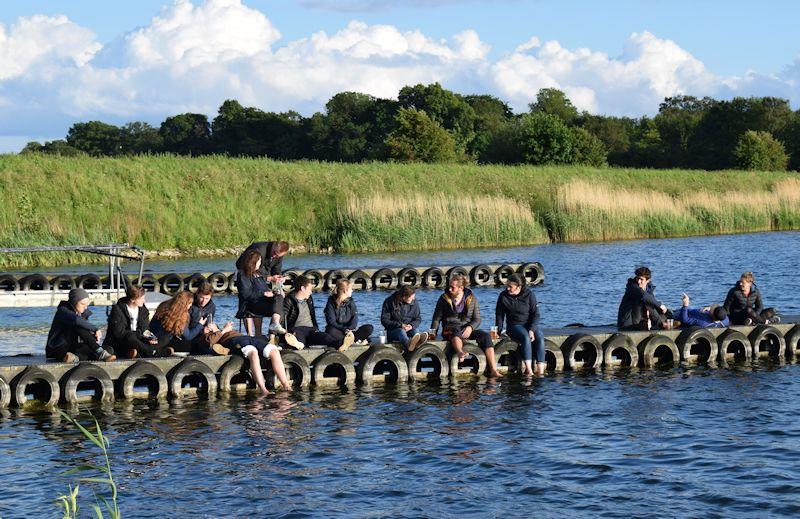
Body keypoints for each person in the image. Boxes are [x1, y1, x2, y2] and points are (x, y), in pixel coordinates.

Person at [430, 274, 500, 377]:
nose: (449, 289)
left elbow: (477, 319)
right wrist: (433, 333)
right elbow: (436, 318)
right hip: (449, 329)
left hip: (466, 328)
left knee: (486, 336)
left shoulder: (471, 298)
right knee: (455, 331)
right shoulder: (444, 298)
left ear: (461, 288)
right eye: (449, 286)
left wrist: (470, 327)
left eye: (452, 287)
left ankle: (493, 369)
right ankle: (460, 352)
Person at [201, 330, 292, 396]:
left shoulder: (224, 330)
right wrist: (218, 331)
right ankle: (263, 389)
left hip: (249, 338)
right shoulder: (208, 336)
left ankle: (286, 385)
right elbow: (210, 343)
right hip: (234, 341)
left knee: (274, 351)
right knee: (253, 353)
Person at [46, 288, 117, 363]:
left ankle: (74, 358)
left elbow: (84, 336)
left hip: (73, 347)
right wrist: (95, 329)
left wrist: (92, 336)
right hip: (57, 348)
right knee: (79, 326)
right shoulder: (63, 311)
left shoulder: (81, 313)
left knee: (109, 349)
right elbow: (77, 321)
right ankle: (99, 353)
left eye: (87, 304)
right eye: (82, 304)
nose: (85, 307)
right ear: (74, 302)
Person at [495, 274, 543, 376]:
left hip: (529, 324)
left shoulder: (529, 294)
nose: (507, 288)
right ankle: (529, 370)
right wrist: (498, 331)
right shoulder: (503, 296)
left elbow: (536, 315)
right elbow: (499, 315)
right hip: (514, 326)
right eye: (507, 286)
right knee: (525, 337)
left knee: (539, 336)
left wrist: (531, 329)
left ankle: (540, 370)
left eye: (510, 287)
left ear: (519, 287)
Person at [104, 285, 170, 358]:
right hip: (122, 341)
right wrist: (139, 334)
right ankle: (153, 351)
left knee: (165, 337)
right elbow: (119, 333)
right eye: (141, 298)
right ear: (133, 299)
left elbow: (145, 329)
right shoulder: (117, 310)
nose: (144, 300)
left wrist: (152, 337)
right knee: (130, 336)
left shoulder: (143, 310)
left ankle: (149, 350)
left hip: (139, 340)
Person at [236, 249, 287, 337]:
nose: (260, 263)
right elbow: (246, 294)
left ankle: (274, 328)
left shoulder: (259, 272)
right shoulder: (243, 274)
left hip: (262, 301)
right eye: (259, 261)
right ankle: (270, 334)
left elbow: (265, 286)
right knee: (278, 306)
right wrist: (263, 294)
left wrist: (274, 292)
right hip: (251, 305)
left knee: (280, 300)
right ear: (253, 262)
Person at [282, 275, 339, 350]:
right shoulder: (288, 300)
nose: (311, 292)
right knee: (300, 343)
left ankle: (341, 344)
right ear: (302, 288)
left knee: (326, 337)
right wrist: (280, 335)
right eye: (309, 289)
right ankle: (299, 347)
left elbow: (313, 316)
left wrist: (316, 328)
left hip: (311, 330)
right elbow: (282, 319)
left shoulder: (309, 299)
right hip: (296, 329)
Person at [324, 279, 374, 351]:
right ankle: (352, 341)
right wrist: (345, 329)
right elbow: (331, 322)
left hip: (350, 332)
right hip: (337, 331)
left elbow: (355, 319)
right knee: (330, 330)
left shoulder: (351, 302)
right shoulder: (331, 302)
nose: (352, 291)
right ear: (345, 290)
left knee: (369, 328)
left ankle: (349, 341)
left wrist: (349, 330)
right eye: (351, 289)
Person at [189, 281, 233, 355]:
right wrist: (202, 330)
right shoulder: (190, 304)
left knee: (220, 334)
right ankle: (216, 350)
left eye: (207, 298)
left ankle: (225, 347)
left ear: (211, 296)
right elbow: (186, 326)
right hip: (192, 336)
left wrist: (211, 328)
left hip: (205, 334)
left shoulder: (212, 306)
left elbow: (209, 322)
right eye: (201, 298)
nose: (203, 301)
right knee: (204, 344)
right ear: (197, 294)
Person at [380, 286, 428, 351]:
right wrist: (400, 325)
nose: (413, 299)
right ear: (404, 297)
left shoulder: (414, 302)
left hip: (408, 329)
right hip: (393, 331)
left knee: (415, 331)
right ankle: (408, 344)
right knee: (401, 331)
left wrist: (411, 325)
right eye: (411, 297)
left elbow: (418, 318)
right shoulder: (389, 301)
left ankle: (418, 343)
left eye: (414, 296)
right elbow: (384, 320)